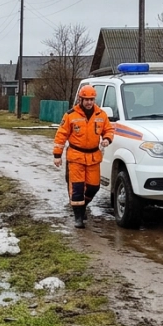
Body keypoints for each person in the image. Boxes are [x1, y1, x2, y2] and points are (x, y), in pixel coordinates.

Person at [54, 84, 114, 229]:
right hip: (76, 157)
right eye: (86, 99)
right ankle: (78, 217)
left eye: (91, 99)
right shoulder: (71, 115)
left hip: (93, 157)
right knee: (77, 188)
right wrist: (57, 155)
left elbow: (109, 129)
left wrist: (107, 138)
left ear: (94, 100)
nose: (89, 102)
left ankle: (83, 206)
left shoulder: (101, 115)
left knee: (94, 187)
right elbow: (61, 135)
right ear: (80, 99)